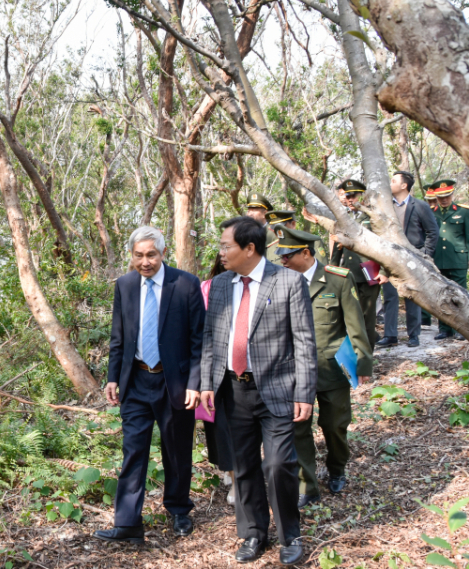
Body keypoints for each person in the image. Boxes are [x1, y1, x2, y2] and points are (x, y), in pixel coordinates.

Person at [195, 216, 317, 565]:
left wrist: (304, 393)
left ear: (250, 248)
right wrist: (206, 383)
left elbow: (305, 342)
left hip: (276, 389)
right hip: (232, 390)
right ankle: (253, 533)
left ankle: (290, 534)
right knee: (243, 465)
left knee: (278, 464)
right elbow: (209, 339)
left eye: (226, 246)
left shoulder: (288, 282)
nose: (221, 252)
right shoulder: (219, 285)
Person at [94, 226, 205, 545]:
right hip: (136, 382)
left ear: (163, 253)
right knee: (133, 451)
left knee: (177, 450)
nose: (145, 262)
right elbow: (118, 337)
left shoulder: (185, 284)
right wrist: (113, 376)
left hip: (177, 384)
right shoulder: (125, 285)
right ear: (132, 256)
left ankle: (179, 509)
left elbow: (199, 339)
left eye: (151, 255)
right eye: (139, 255)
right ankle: (128, 522)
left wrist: (196, 383)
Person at [273, 224, 373, 508]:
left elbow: (356, 324)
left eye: (287, 256)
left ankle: (337, 468)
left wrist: (363, 362)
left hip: (330, 367)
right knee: (298, 427)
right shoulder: (281, 280)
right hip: (293, 370)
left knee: (334, 425)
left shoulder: (338, 279)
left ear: (305, 253)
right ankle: (308, 484)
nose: (282, 261)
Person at [378, 171, 438, 348]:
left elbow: (432, 232)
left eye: (394, 181)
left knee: (412, 297)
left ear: (404, 185)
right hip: (390, 257)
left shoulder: (420, 206)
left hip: (413, 258)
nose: (390, 183)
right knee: (389, 296)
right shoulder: (386, 207)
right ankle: (390, 335)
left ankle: (414, 335)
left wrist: (424, 255)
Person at [199, 253, 235, 507]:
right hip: (213, 364)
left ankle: (238, 475)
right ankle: (227, 469)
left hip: (242, 366)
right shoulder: (206, 288)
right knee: (218, 425)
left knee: (236, 425)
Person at [329, 180, 381, 349]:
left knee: (367, 317)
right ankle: (353, 353)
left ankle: (367, 356)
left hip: (369, 273)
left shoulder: (372, 217)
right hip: (349, 274)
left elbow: (384, 245)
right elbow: (337, 246)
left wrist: (386, 271)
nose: (350, 200)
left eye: (354, 196)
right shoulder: (343, 218)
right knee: (350, 315)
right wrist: (333, 269)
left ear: (362, 196)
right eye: (347, 196)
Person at [426, 179, 469, 340]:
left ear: (452, 194)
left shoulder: (463, 211)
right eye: (441, 196)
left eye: (447, 196)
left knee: (460, 295)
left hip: (458, 259)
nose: (444, 199)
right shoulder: (431, 212)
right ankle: (444, 328)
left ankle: (461, 329)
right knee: (441, 296)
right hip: (438, 260)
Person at [421, 188, 440, 327]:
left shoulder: (441, 212)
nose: (431, 203)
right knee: (424, 287)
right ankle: (424, 318)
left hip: (444, 256)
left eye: (434, 200)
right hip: (426, 255)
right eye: (429, 201)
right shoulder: (423, 211)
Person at [244, 193, 281, 265]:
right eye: (249, 210)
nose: (250, 214)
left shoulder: (274, 234)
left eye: (254, 210)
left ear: (265, 214)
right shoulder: (243, 234)